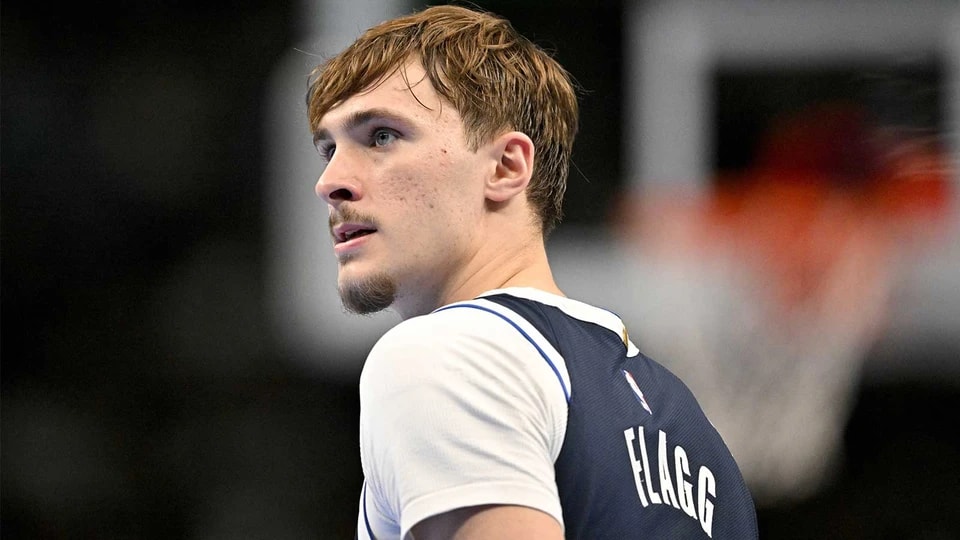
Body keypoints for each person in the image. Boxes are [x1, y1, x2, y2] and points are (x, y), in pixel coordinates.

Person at [305, 4, 758, 539]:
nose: (329, 182)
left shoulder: (447, 355)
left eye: (382, 136)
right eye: (329, 149)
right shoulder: (695, 437)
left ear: (506, 167)